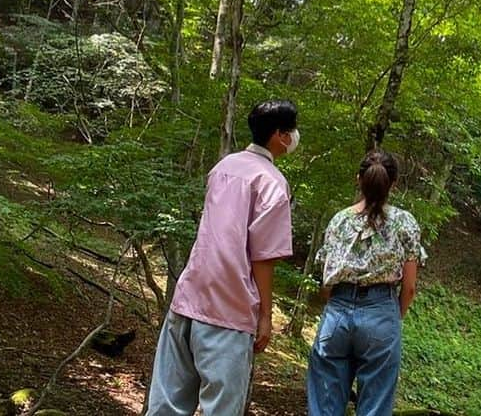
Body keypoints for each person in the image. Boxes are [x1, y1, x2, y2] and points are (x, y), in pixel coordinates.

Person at [144, 99, 298, 416]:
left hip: (188, 297)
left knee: (166, 406)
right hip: (229, 308)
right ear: (280, 135)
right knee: (222, 409)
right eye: (292, 130)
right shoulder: (272, 183)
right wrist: (265, 315)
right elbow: (263, 257)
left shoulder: (223, 167)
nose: (295, 137)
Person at [308, 149, 426, 416]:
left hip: (336, 311)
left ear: (358, 179)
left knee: (325, 404)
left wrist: (339, 303)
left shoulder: (339, 220)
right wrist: (394, 315)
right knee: (374, 406)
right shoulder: (404, 222)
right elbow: (409, 287)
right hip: (381, 313)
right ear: (393, 184)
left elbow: (326, 279)